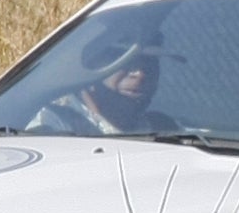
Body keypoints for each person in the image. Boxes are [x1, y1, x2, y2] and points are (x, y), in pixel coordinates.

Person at [28, 27, 176, 135]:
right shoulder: (51, 124)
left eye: (150, 63)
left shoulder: (163, 129)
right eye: (126, 61)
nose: (140, 74)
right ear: (91, 63)